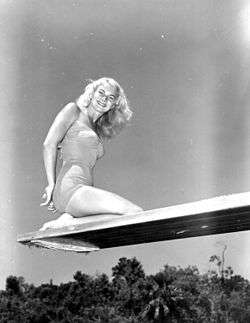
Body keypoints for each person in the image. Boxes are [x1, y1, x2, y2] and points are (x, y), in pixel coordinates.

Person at [40, 77, 143, 230]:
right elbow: (49, 144)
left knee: (123, 217)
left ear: (114, 104)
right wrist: (51, 184)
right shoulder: (73, 110)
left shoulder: (96, 129)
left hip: (83, 190)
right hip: (70, 188)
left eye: (110, 97)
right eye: (101, 93)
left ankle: (69, 220)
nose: (104, 99)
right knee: (135, 212)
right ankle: (67, 220)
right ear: (92, 93)